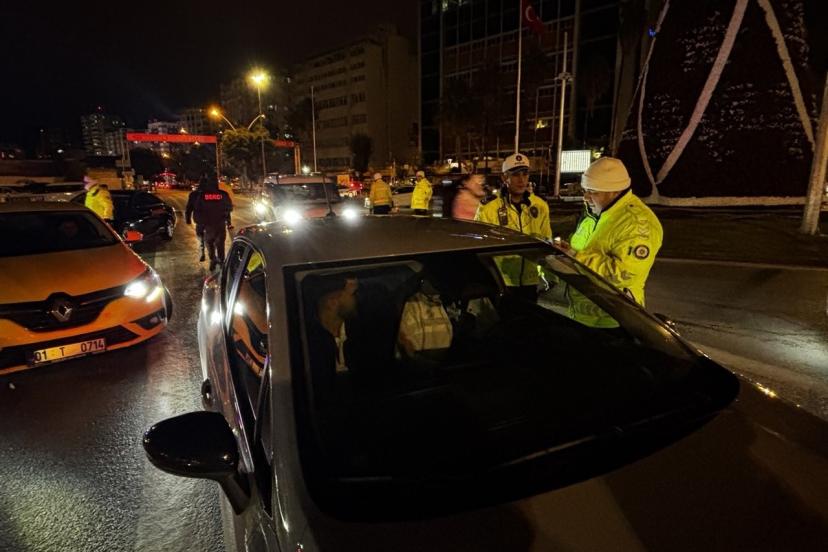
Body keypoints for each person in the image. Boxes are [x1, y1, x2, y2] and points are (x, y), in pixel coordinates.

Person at [560, 156, 663, 324]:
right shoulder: (596, 213)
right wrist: (563, 252)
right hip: (582, 315)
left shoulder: (636, 224)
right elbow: (582, 248)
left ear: (615, 191)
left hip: (613, 321)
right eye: (584, 190)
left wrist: (574, 257)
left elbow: (622, 274)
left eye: (592, 191)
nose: (585, 197)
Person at [475, 153, 551, 298]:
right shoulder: (489, 208)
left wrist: (549, 277)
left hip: (530, 281)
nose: (521, 180)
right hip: (501, 281)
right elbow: (479, 247)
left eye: (525, 174)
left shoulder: (540, 206)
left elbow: (546, 242)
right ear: (504, 178)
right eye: (515, 175)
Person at [304, 274, 359, 406]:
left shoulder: (359, 333)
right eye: (351, 293)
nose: (356, 298)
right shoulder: (309, 346)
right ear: (333, 302)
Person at [185, 176, 233, 271]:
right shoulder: (223, 194)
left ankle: (212, 259)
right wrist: (226, 219)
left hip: (206, 225)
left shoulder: (200, 195)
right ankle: (221, 261)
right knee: (220, 244)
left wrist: (190, 219)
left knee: (209, 243)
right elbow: (229, 208)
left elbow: (194, 208)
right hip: (219, 224)